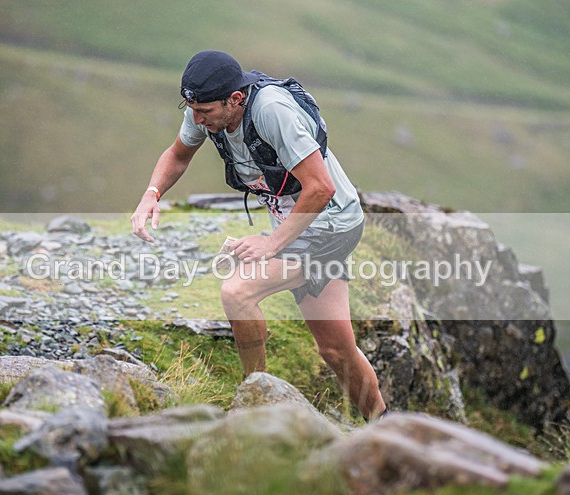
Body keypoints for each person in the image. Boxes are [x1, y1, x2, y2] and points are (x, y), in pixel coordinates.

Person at [131, 50, 386, 421]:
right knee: (335, 351)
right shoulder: (203, 105)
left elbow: (320, 188)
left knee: (238, 291)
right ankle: (384, 422)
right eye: (192, 109)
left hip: (331, 225)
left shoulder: (271, 111)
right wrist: (150, 195)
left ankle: (254, 400)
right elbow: (178, 155)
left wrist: (271, 243)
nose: (197, 120)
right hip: (298, 224)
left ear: (235, 99)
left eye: (205, 113)